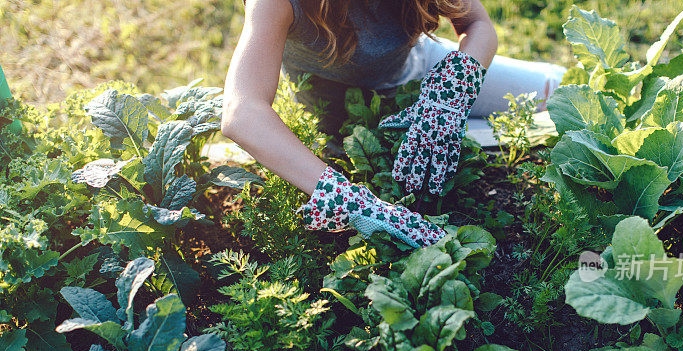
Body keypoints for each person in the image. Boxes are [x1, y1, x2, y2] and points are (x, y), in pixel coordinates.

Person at [221, 0, 565, 248]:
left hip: (420, 71)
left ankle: (460, 122)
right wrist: (351, 201)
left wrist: (453, 89)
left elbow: (478, 25)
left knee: (560, 91)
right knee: (505, 130)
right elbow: (242, 112)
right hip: (342, 117)